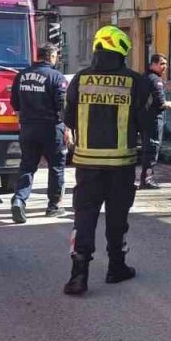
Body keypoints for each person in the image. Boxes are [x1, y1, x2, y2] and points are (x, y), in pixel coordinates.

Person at [62, 26, 153, 295]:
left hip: (87, 165)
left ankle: (78, 275)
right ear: (123, 51)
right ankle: (116, 267)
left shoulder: (80, 79)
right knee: (117, 218)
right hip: (121, 165)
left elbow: (67, 119)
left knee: (84, 217)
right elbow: (147, 122)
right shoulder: (135, 81)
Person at [10, 45, 70, 223]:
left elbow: (15, 103)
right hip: (51, 128)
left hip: (28, 128)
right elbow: (62, 106)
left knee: (27, 166)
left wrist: (24, 122)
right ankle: (54, 206)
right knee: (56, 167)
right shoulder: (56, 76)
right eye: (55, 56)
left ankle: (19, 199)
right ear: (51, 56)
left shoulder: (21, 76)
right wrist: (67, 129)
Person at [138, 53, 171, 190]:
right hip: (153, 119)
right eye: (162, 64)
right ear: (153, 64)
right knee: (153, 148)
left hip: (143, 118)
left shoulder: (143, 77)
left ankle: (144, 179)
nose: (164, 67)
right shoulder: (155, 80)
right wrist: (169, 103)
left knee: (146, 149)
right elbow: (160, 103)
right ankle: (147, 179)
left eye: (165, 64)